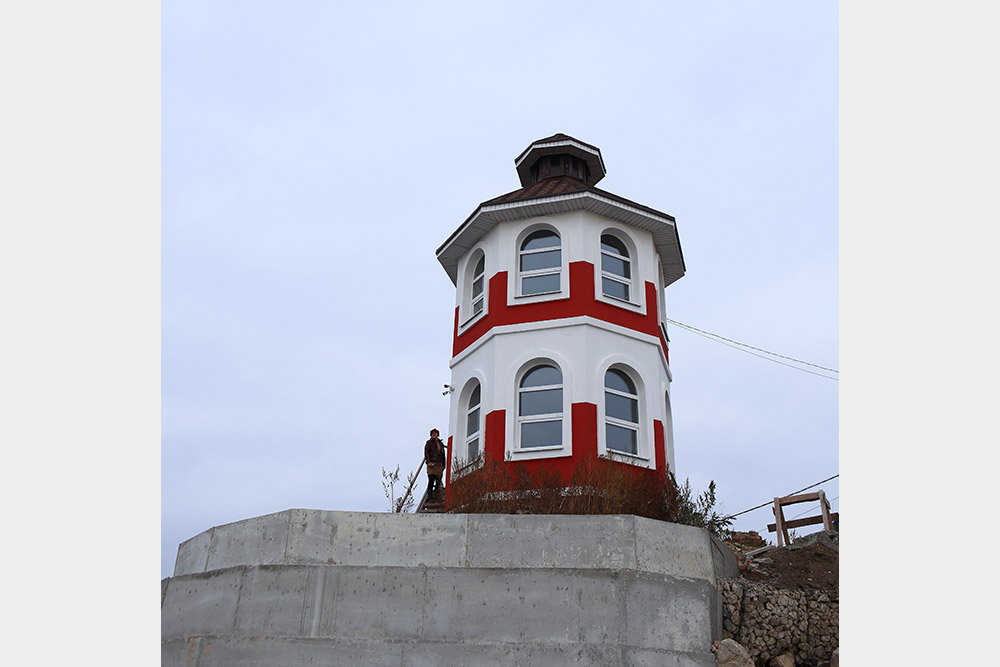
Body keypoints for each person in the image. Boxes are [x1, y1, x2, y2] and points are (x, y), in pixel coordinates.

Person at [424, 428, 447, 499]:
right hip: (432, 463)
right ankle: (430, 496)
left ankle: (436, 495)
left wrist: (443, 465)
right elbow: (426, 453)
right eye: (433, 433)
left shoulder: (440, 443)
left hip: (439, 464)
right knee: (431, 480)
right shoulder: (429, 443)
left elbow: (443, 455)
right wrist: (428, 462)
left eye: (435, 433)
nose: (434, 434)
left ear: (437, 435)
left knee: (438, 480)